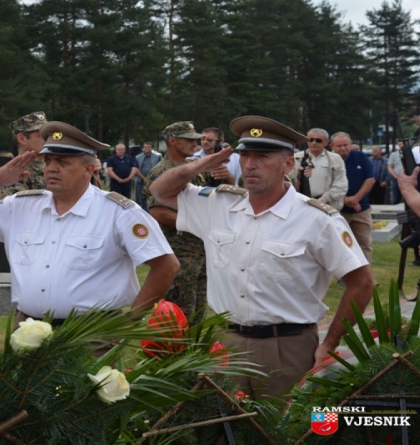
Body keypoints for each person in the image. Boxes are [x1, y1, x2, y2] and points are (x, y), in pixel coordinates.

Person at [150, 115, 374, 401]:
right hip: (225, 342)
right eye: (245, 156)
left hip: (286, 347)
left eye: (263, 156)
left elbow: (362, 283)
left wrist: (330, 342)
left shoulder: (316, 219)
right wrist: (201, 163)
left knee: (283, 432)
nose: (250, 164)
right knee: (223, 431)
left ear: (288, 164)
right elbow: (159, 191)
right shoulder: (218, 204)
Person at [0, 121, 180, 327]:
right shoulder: (20, 206)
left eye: (63, 162)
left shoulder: (118, 212)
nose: (51, 168)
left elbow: (166, 265)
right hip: (27, 328)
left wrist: (129, 322)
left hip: (90, 333)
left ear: (88, 169)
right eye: (48, 160)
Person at [142, 121, 228, 322]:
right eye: (188, 139)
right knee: (177, 315)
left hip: (198, 250)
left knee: (197, 315)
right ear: (173, 141)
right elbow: (158, 212)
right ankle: (175, 354)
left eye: (195, 139)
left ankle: (194, 352)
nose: (195, 143)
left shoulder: (192, 169)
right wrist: (197, 225)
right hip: (179, 251)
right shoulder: (163, 171)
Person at [332, 132, 375, 262]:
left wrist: (356, 198)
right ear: (331, 146)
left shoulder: (360, 157)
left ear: (350, 144)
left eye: (346, 144)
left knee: (364, 244)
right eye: (339, 145)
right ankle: (344, 276)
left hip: (361, 209)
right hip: (338, 210)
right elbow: (328, 183)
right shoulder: (329, 160)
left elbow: (370, 179)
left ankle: (365, 277)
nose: (343, 148)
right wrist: (346, 200)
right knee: (341, 244)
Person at [291, 128, 348, 210]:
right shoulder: (296, 158)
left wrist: (322, 200)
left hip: (327, 205)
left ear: (326, 142)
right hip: (301, 205)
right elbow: (287, 183)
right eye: (310, 140)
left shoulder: (335, 159)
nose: (314, 143)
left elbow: (341, 186)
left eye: (318, 140)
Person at [0, 111, 47, 201]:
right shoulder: (12, 173)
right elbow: (17, 209)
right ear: (22, 139)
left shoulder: (59, 166)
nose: (47, 139)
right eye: (42, 135)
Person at [133, 142, 162, 211]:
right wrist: (144, 178)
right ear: (143, 148)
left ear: (152, 148)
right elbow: (136, 169)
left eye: (149, 147)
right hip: (141, 180)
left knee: (153, 198)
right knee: (140, 198)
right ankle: (141, 212)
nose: (147, 148)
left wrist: (151, 179)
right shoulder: (138, 157)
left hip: (154, 180)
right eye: (145, 147)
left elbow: (161, 168)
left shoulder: (158, 156)